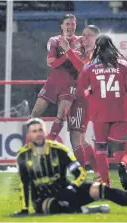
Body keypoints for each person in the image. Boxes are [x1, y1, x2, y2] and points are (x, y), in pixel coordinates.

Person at [13, 118, 127, 216]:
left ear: (45, 131)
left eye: (40, 130)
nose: (38, 133)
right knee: (55, 206)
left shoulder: (59, 150)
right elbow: (24, 184)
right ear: (29, 135)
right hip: (43, 200)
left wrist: (72, 188)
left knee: (101, 189)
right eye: (34, 131)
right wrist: (25, 209)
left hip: (66, 191)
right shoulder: (23, 156)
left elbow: (79, 173)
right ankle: (89, 210)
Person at [30, 14, 98, 176]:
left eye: (73, 24)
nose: (71, 26)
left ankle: (46, 150)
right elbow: (51, 63)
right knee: (34, 116)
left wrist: (77, 51)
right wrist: (67, 55)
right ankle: (32, 154)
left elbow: (84, 64)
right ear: (61, 26)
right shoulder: (54, 41)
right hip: (53, 83)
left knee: (65, 119)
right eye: (67, 24)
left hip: (72, 85)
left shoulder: (82, 41)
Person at [76, 34, 127, 190]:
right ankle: (122, 164)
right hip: (120, 113)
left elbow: (81, 92)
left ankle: (106, 183)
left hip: (99, 114)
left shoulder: (88, 67)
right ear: (112, 46)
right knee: (121, 150)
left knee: (100, 149)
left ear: (96, 48)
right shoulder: (123, 65)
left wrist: (90, 92)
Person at [58, 25, 101, 180]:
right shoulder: (82, 52)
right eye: (83, 34)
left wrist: (68, 51)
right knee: (81, 139)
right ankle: (98, 173)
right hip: (80, 97)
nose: (84, 38)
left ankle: (81, 176)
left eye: (88, 35)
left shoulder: (98, 54)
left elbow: (84, 69)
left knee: (75, 138)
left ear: (96, 38)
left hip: (84, 99)